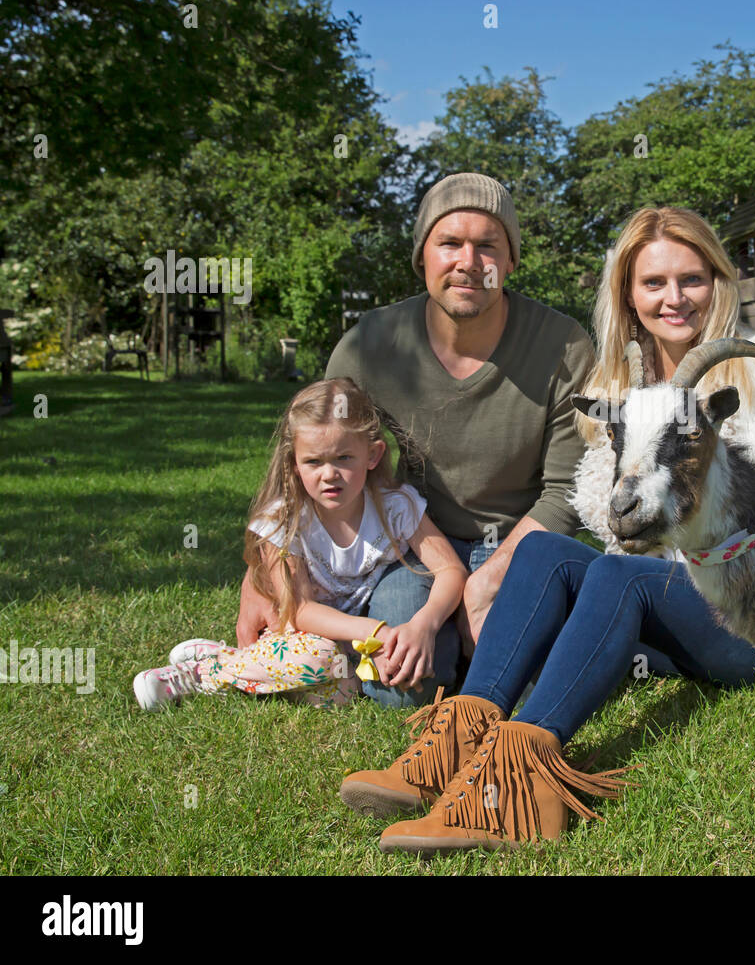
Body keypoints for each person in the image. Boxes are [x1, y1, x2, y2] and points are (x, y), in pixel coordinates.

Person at [341, 206, 755, 855]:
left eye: (691, 279)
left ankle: (517, 782)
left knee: (620, 574)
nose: (674, 298)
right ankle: (453, 745)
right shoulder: (622, 386)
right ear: (629, 294)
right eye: (654, 283)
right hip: (681, 602)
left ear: (717, 282)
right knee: (546, 553)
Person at [232, 174, 596, 708]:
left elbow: (568, 491)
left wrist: (487, 581)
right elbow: (318, 457)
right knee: (403, 685)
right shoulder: (370, 347)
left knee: (542, 681)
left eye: (488, 245)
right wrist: (261, 577)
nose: (468, 261)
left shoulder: (564, 345)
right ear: (422, 256)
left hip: (524, 547)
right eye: (449, 243)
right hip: (412, 547)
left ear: (512, 260)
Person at [133, 379, 466, 712]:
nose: (329, 474)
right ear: (293, 462)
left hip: (353, 645)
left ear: (373, 454)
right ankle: (204, 671)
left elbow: (451, 570)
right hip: (304, 635)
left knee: (346, 690)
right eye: (313, 462)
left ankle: (242, 668)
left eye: (344, 457)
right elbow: (301, 610)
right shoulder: (285, 521)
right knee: (318, 658)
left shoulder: (396, 507)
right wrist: (375, 632)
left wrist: (424, 623)